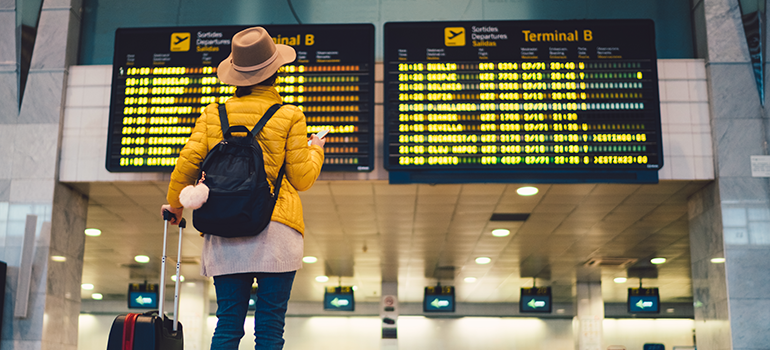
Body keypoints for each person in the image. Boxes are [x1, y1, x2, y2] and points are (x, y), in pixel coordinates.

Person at [160, 26, 325, 349]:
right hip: (276, 230)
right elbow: (302, 179)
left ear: (235, 75)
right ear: (275, 70)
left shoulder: (213, 114)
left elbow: (187, 164)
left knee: (228, 323)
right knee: (270, 328)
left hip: (224, 228)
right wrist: (315, 148)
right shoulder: (290, 115)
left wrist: (175, 207)